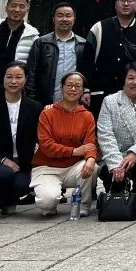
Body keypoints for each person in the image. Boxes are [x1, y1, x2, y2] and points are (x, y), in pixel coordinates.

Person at [0, 62, 43, 218]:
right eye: (9, 77)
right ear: (3, 78)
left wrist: (36, 165)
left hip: (22, 164)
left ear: (26, 79)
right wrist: (3, 159)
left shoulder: (34, 107)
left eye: (18, 77)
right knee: (4, 174)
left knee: (23, 185)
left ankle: (8, 200)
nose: (13, 81)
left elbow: (40, 139)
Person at [29, 71, 98, 217]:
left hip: (73, 167)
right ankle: (51, 201)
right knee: (47, 204)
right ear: (61, 87)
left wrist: (91, 159)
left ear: (82, 90)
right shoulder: (47, 113)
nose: (73, 89)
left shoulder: (87, 116)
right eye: (69, 85)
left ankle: (83, 205)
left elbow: (90, 143)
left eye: (77, 86)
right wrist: (74, 151)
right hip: (47, 167)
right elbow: (46, 145)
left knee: (92, 167)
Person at [97, 61, 136, 213]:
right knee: (111, 176)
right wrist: (117, 165)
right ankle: (115, 190)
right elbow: (105, 134)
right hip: (115, 155)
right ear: (123, 80)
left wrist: (134, 153)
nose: (135, 82)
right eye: (130, 78)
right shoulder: (110, 101)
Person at [87, 0, 136, 116]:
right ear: (115, 4)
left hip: (134, 94)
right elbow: (86, 61)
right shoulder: (99, 28)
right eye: (122, 0)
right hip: (101, 93)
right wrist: (85, 89)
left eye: (130, 1)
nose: (126, 4)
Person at [25, 2, 94, 107]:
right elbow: (31, 74)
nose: (64, 19)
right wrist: (32, 101)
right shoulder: (42, 43)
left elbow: (87, 75)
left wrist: (86, 91)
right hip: (44, 103)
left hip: (74, 104)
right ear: (53, 19)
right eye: (60, 15)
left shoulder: (83, 45)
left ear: (74, 19)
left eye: (68, 16)